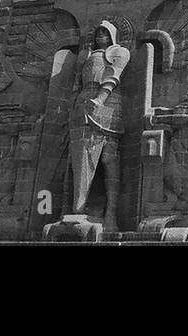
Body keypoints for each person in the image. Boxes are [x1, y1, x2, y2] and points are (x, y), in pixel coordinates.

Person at [67, 21, 131, 230]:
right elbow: (77, 83)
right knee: (78, 156)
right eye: (97, 32)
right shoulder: (86, 55)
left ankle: (111, 212)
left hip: (109, 104)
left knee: (108, 157)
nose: (100, 36)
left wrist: (101, 99)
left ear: (112, 35)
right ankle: (77, 208)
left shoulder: (119, 52)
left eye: (105, 32)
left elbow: (113, 75)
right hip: (83, 103)